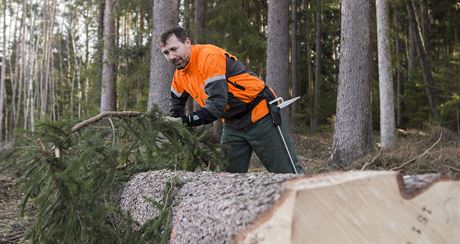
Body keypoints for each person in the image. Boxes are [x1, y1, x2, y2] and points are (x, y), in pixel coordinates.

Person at [161, 26, 303, 174]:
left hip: (260, 114)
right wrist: (174, 125)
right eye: (166, 52)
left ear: (187, 42)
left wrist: (185, 121)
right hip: (232, 123)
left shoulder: (209, 57)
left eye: (174, 49)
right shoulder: (180, 75)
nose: (171, 56)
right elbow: (176, 106)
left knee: (288, 173)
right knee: (226, 178)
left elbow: (216, 107)